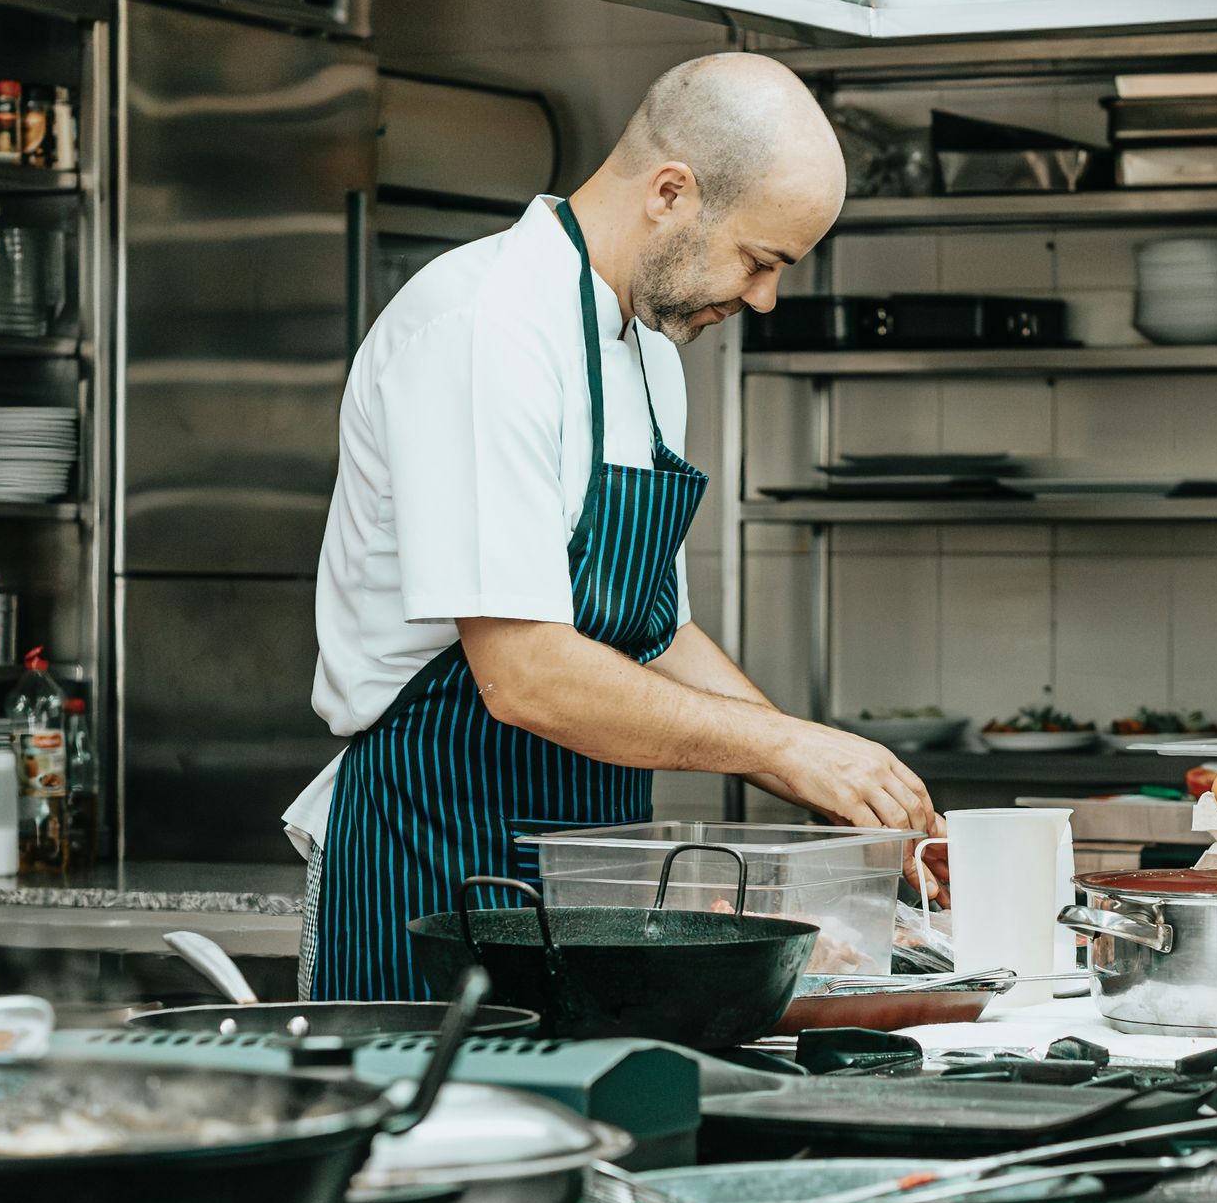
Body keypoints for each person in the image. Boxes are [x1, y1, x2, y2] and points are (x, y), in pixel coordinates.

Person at [287, 50, 941, 1000]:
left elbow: (655, 631)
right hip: (434, 857)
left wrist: (839, 783)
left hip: (591, 870)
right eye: (758, 262)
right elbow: (524, 672)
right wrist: (785, 749)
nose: (762, 299)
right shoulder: (486, 328)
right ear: (671, 192)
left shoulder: (646, 352)